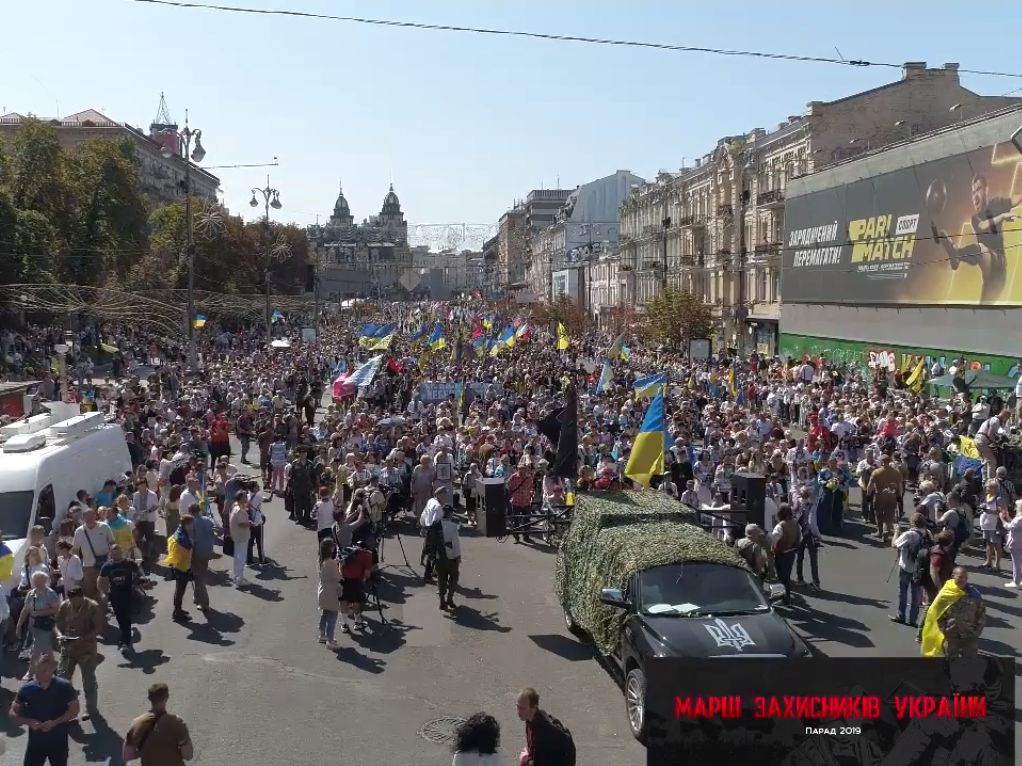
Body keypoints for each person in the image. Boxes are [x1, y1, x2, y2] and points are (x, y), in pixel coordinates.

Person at [10, 651, 80, 766]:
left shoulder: (64, 687)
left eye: (46, 670)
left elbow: (74, 711)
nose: (42, 674)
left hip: (59, 743)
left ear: (53, 669)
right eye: (39, 670)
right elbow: (12, 712)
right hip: (35, 744)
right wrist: (28, 721)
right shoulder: (27, 689)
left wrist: (55, 722)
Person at [54, 586, 103, 713]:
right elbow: (57, 623)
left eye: (77, 600)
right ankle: (66, 708)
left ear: (82, 597)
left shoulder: (92, 607)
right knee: (62, 679)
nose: (75, 603)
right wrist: (59, 634)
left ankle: (91, 709)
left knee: (88, 681)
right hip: (68, 649)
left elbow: (98, 628)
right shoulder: (65, 606)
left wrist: (83, 638)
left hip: (86, 650)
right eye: (72, 601)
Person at [921, 566, 986, 658]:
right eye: (960, 577)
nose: (962, 580)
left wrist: (976, 632)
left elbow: (981, 615)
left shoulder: (974, 594)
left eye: (965, 577)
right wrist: (944, 628)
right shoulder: (946, 593)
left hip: (969, 635)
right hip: (951, 635)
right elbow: (936, 612)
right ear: (953, 576)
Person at [123, 682, 193, 765]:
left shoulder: (137, 724)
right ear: (167, 697)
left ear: (149, 698)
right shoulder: (177, 723)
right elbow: (188, 755)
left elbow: (127, 755)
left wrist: (143, 752)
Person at [515, 688, 575, 766]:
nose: (519, 712)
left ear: (534, 707)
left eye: (522, 708)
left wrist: (524, 759)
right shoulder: (531, 719)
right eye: (517, 707)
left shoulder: (543, 733)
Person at [891, 513, 932, 628]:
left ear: (912, 522)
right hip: (919, 569)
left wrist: (896, 531)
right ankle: (913, 619)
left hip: (906, 566)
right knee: (916, 594)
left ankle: (901, 615)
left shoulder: (909, 534)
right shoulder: (927, 534)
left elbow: (894, 544)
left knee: (903, 592)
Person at [98, 544, 142, 650]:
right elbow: (101, 580)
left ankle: (125, 640)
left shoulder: (129, 563)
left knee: (126, 616)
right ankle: (125, 632)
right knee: (119, 615)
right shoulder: (107, 566)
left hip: (128, 593)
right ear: (110, 554)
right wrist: (102, 593)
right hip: (115, 595)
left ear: (121, 553)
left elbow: (139, 572)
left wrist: (142, 580)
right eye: (113, 554)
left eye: (117, 553)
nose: (115, 556)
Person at [19, 571, 60, 682]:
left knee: (36, 649)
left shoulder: (50, 593)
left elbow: (56, 609)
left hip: (45, 625)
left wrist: (39, 613)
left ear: (45, 580)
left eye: (38, 580)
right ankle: (54, 665)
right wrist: (19, 625)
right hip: (33, 626)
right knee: (45, 647)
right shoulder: (31, 593)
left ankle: (30, 672)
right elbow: (25, 609)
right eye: (34, 580)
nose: (36, 582)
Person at [72, 508, 115, 601]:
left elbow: (112, 543)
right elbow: (75, 549)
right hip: (88, 566)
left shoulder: (105, 527)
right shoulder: (79, 531)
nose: (89, 518)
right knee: (89, 590)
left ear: (96, 516)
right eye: (87, 516)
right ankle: (93, 611)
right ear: (83, 518)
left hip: (104, 564)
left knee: (103, 590)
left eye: (91, 516)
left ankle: (103, 610)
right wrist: (77, 565)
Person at [338, 542, 373, 634]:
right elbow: (367, 574)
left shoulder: (346, 551)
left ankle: (344, 624)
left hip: (342, 580)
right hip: (356, 580)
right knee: (356, 601)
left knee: (343, 601)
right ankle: (357, 622)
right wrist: (365, 580)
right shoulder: (366, 555)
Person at [770, 503, 801, 606]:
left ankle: (781, 598)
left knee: (780, 577)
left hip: (781, 554)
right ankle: (787, 598)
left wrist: (771, 549)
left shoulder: (780, 526)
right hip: (791, 552)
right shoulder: (795, 523)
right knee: (787, 576)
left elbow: (773, 540)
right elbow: (798, 537)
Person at [186, 503, 215, 613]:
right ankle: (197, 596)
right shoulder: (208, 519)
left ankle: (204, 603)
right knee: (198, 574)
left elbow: (190, 541)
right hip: (208, 551)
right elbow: (216, 532)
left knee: (198, 578)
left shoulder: (191, 524)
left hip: (197, 553)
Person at [434, 504, 462, 611]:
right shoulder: (452, 526)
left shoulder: (436, 525)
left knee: (441, 579)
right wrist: (458, 556)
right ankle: (449, 598)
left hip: (439, 556)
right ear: (450, 514)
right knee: (454, 577)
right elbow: (455, 543)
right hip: (450, 556)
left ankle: (442, 601)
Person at [317, 538, 341, 649]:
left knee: (325, 614)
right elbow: (337, 577)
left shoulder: (321, 560)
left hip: (322, 591)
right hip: (330, 593)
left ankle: (323, 635)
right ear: (329, 549)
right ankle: (330, 641)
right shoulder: (331, 563)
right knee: (332, 617)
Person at [229, 491, 253, 587]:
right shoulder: (239, 510)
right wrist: (250, 523)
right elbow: (241, 524)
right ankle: (240, 579)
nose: (246, 497)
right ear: (241, 499)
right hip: (241, 536)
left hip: (237, 536)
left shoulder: (236, 507)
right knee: (241, 558)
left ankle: (237, 577)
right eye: (244, 496)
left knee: (237, 557)